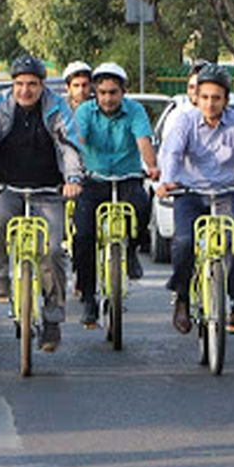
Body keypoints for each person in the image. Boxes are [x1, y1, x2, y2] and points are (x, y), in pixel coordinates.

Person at [0, 55, 84, 352]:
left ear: (42, 84)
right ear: (13, 84)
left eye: (32, 84)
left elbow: (70, 144)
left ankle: (52, 320)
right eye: (20, 84)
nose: (25, 90)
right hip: (6, 187)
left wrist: (73, 178)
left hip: (48, 190)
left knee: (52, 251)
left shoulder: (56, 107)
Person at [157, 64, 234, 335]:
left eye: (216, 98)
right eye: (204, 97)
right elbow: (172, 152)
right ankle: (181, 297)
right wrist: (167, 180)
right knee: (183, 243)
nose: (210, 103)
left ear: (226, 99)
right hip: (190, 193)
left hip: (227, 193)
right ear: (196, 97)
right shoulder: (185, 121)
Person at [71, 62, 159, 326]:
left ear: (123, 92)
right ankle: (88, 296)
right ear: (95, 93)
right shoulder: (85, 111)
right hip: (93, 178)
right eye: (103, 92)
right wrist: (74, 172)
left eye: (113, 92)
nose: (108, 98)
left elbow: (143, 140)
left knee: (143, 206)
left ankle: (131, 251)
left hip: (127, 176)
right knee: (84, 234)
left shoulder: (135, 110)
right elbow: (79, 141)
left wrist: (152, 166)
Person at [160, 60, 209, 144]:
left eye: (200, 86)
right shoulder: (177, 115)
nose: (195, 91)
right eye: (191, 87)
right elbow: (168, 149)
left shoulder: (223, 117)